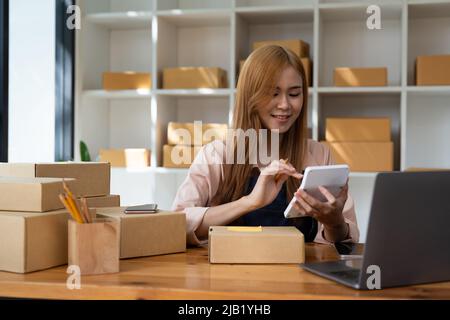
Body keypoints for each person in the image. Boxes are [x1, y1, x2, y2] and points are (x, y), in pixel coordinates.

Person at [172, 45, 359, 246]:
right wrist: (250, 202)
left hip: (300, 274)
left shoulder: (319, 155)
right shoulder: (217, 155)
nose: (285, 105)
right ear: (250, 96)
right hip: (227, 274)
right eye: (273, 93)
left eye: (294, 94)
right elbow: (177, 225)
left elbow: (347, 240)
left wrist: (335, 223)